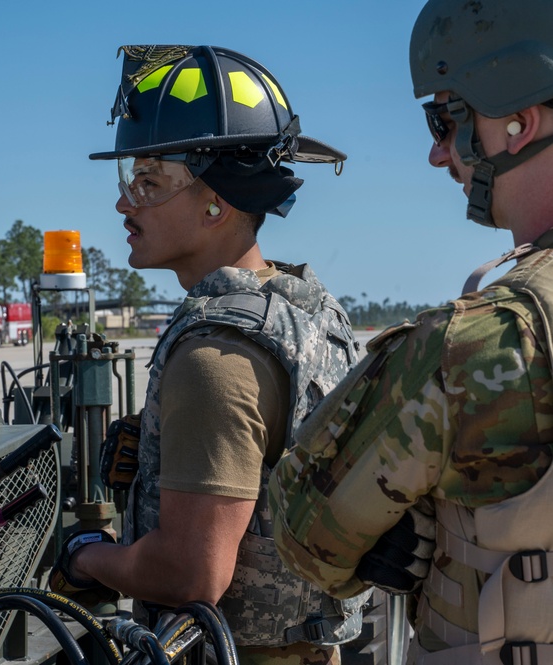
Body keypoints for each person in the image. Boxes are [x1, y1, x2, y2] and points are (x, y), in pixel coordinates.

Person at [48, 44, 369, 664]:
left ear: (215, 201)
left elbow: (192, 575)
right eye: (128, 179)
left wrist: (84, 554)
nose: (124, 203)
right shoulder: (307, 311)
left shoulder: (215, 357)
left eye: (149, 182)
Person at [269, 1, 553, 663]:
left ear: (520, 122)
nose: (435, 153)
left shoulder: (476, 343)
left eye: (445, 118)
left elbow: (305, 535)